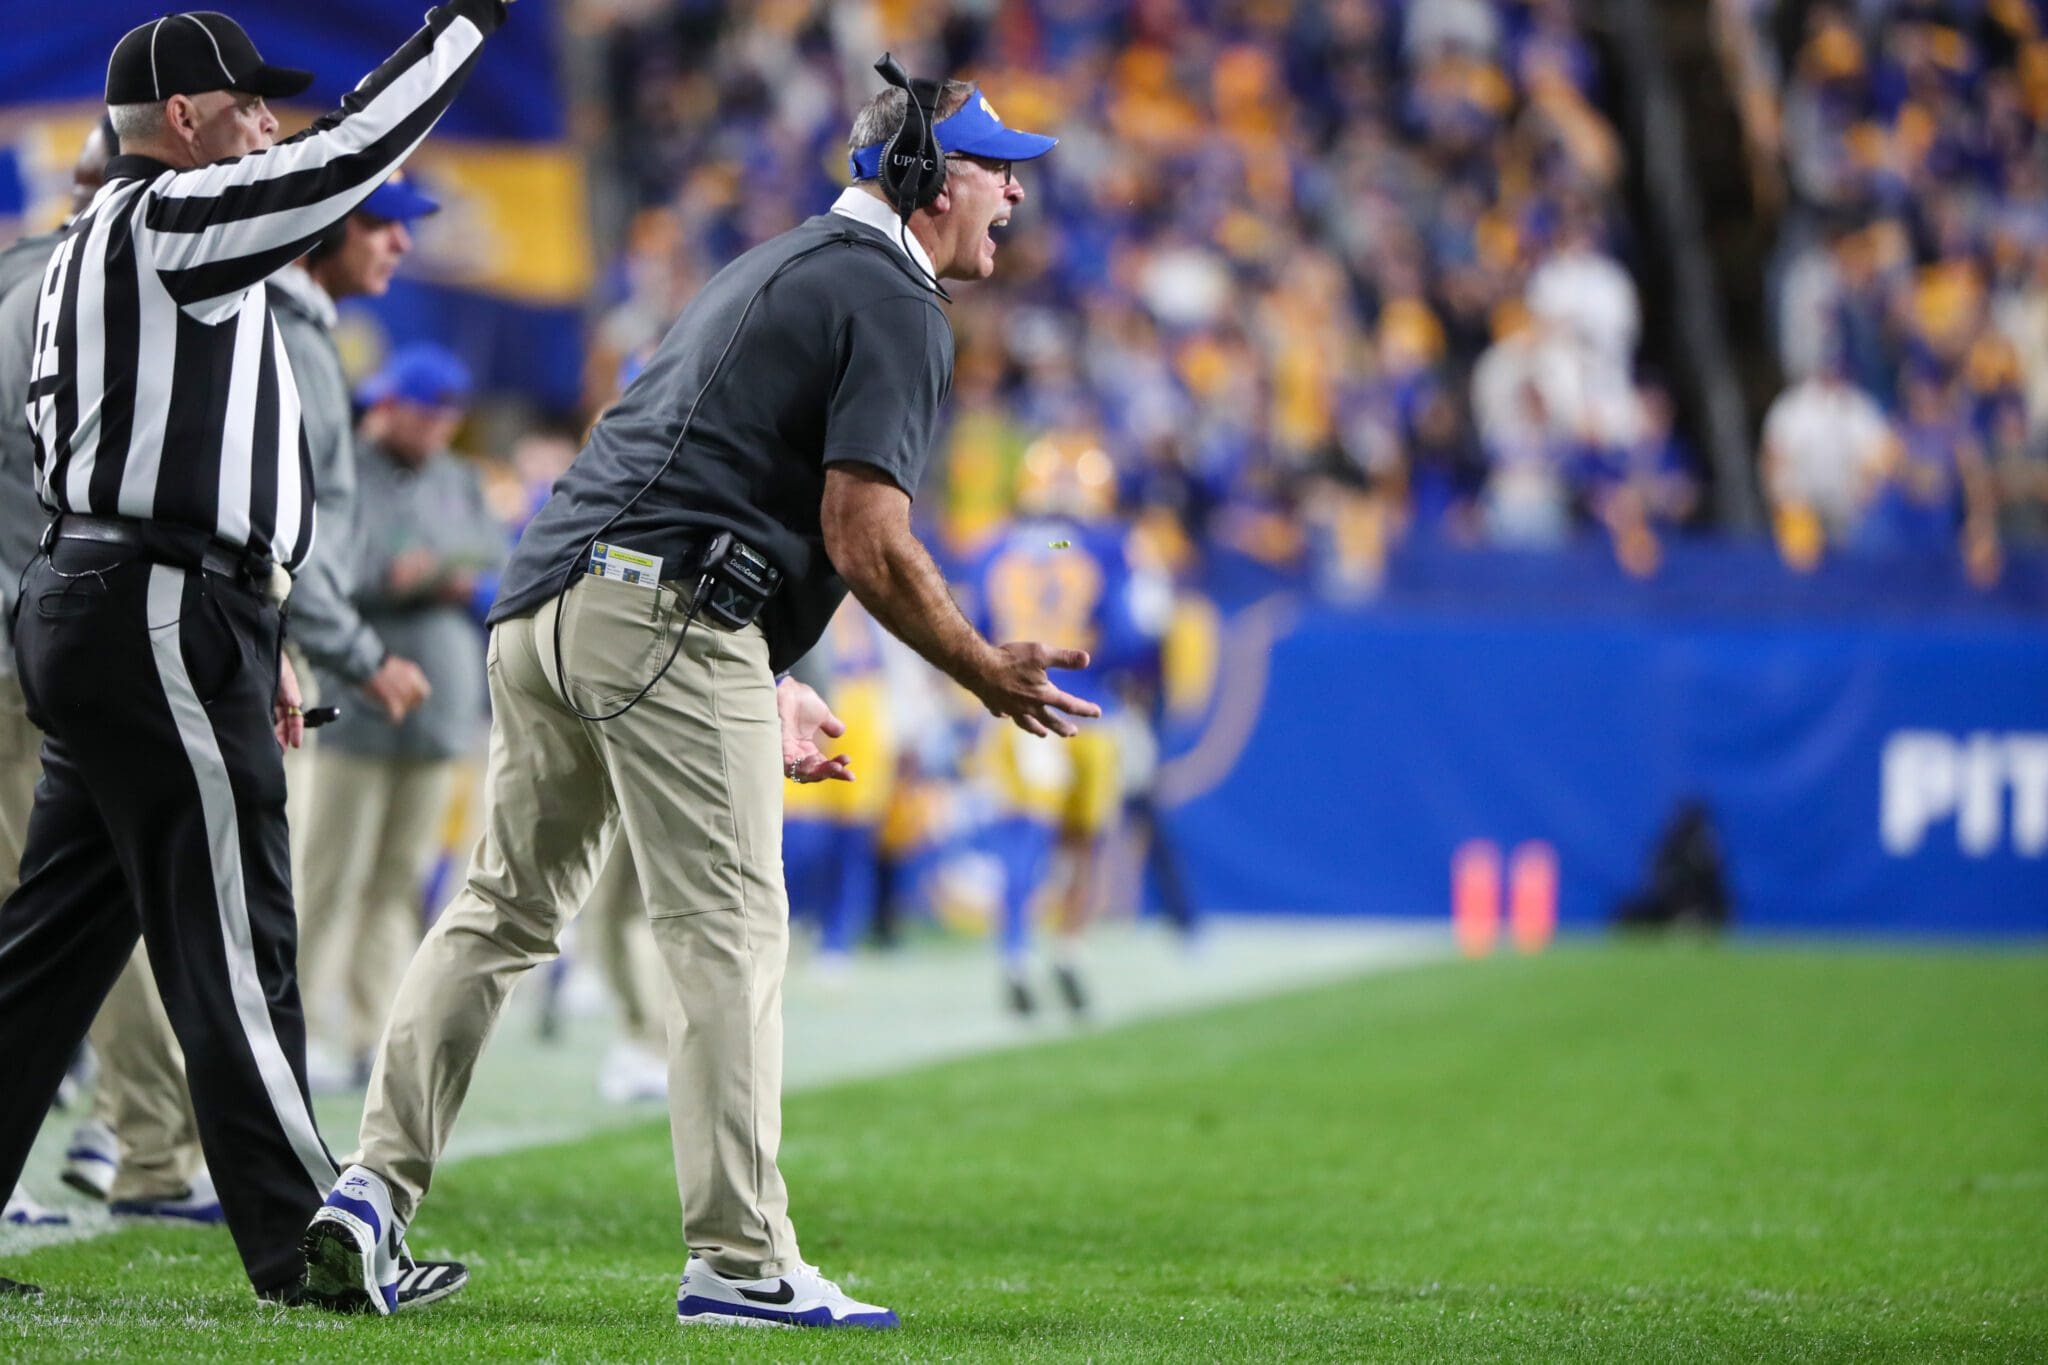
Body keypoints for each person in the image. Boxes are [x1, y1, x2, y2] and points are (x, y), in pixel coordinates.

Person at [308, 64, 1094, 1328]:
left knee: (499, 911)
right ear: (927, 181)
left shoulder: (768, 266)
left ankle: (368, 1192)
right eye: (997, 164)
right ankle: (739, 1260)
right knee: (727, 936)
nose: (1015, 186)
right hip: (666, 616)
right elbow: (865, 535)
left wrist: (760, 670)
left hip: (550, 602)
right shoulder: (895, 298)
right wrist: (984, 669)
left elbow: (688, 464)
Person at [0, 2, 517, 1306]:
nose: (268, 125)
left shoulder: (90, 250)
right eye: (245, 107)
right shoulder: (169, 221)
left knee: (51, 949)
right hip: (163, 597)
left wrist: (261, 615)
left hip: (114, 594)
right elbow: (347, 156)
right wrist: (465, 27)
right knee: (238, 933)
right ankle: (307, 1245)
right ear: (183, 121)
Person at [0, 119, 219, 1230]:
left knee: (60, 906)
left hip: (35, 632)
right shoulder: (92, 284)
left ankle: (140, 1141)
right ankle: (144, 1142)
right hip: (47, 634)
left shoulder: (30, 278)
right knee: (66, 911)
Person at [298, 345, 500, 1083]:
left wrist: (437, 569)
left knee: (398, 878)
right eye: (422, 412)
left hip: (439, 709)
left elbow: (494, 560)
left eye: (444, 415)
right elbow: (341, 567)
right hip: (355, 699)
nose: (436, 427)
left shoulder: (459, 477)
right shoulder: (344, 468)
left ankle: (366, 1026)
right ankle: (307, 1024)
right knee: (329, 874)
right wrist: (419, 572)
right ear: (392, 408)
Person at [963, 431, 1171, 1015]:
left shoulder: (994, 545)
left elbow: (970, 627)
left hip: (1019, 706)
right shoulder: (1111, 545)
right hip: (1091, 708)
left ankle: (1016, 952)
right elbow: (1138, 633)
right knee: (1083, 842)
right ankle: (1069, 950)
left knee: (1025, 834)